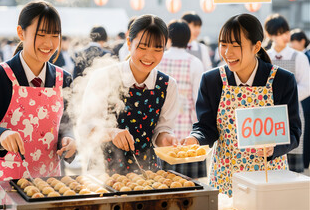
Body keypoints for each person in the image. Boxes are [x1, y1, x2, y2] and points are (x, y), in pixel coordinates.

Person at [0, 0, 77, 210]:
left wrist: (71, 140)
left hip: (46, 188)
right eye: (42, 34)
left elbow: (67, 124)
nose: (49, 42)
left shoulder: (64, 79)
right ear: (21, 32)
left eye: (55, 35)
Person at [187, 13, 301, 197]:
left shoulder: (282, 80)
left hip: (269, 176)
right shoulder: (212, 80)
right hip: (226, 176)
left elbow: (294, 131)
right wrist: (195, 139)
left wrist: (275, 148)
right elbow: (206, 127)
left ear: (256, 46)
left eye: (235, 46)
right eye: (223, 45)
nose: (227, 53)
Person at [82, 14, 184, 175]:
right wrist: (111, 132)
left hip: (147, 172)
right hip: (103, 171)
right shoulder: (105, 77)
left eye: (158, 49)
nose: (149, 56)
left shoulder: (167, 85)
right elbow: (86, 126)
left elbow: (162, 129)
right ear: (129, 43)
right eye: (143, 47)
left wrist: (165, 139)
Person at [158, 19, 205, 178]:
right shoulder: (194, 62)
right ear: (189, 38)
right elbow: (198, 97)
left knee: (162, 178)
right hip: (186, 124)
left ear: (168, 38)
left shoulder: (159, 58)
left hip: (161, 126)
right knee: (188, 180)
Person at [264, 14, 310, 173]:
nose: (285, 36)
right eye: (279, 33)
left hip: (292, 112)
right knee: (270, 154)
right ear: (270, 35)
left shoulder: (299, 57)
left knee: (292, 149)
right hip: (269, 116)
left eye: (286, 32)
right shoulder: (265, 57)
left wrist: (286, 99)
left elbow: (307, 86)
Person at [290, 28, 310, 170]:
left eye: (294, 41)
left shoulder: (304, 56)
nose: (291, 44)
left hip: (305, 100)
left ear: (302, 41)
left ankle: (305, 161)